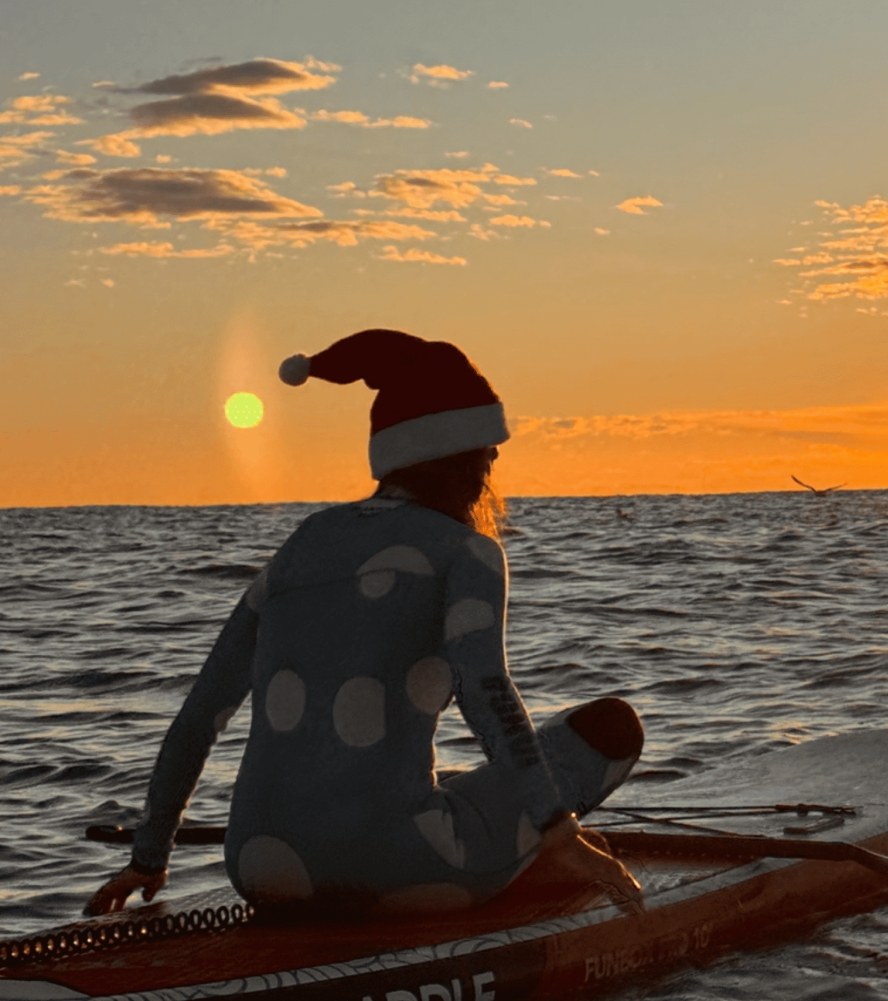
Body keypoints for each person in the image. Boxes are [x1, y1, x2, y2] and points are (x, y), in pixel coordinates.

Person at [88, 329, 644, 918]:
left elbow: (201, 714)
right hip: (395, 865)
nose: (495, 457)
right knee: (609, 728)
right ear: (457, 451)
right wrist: (560, 831)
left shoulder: (301, 545)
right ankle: (540, 857)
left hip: (258, 866)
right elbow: (486, 689)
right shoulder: (468, 551)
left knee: (435, 783)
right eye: (487, 442)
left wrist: (149, 857)